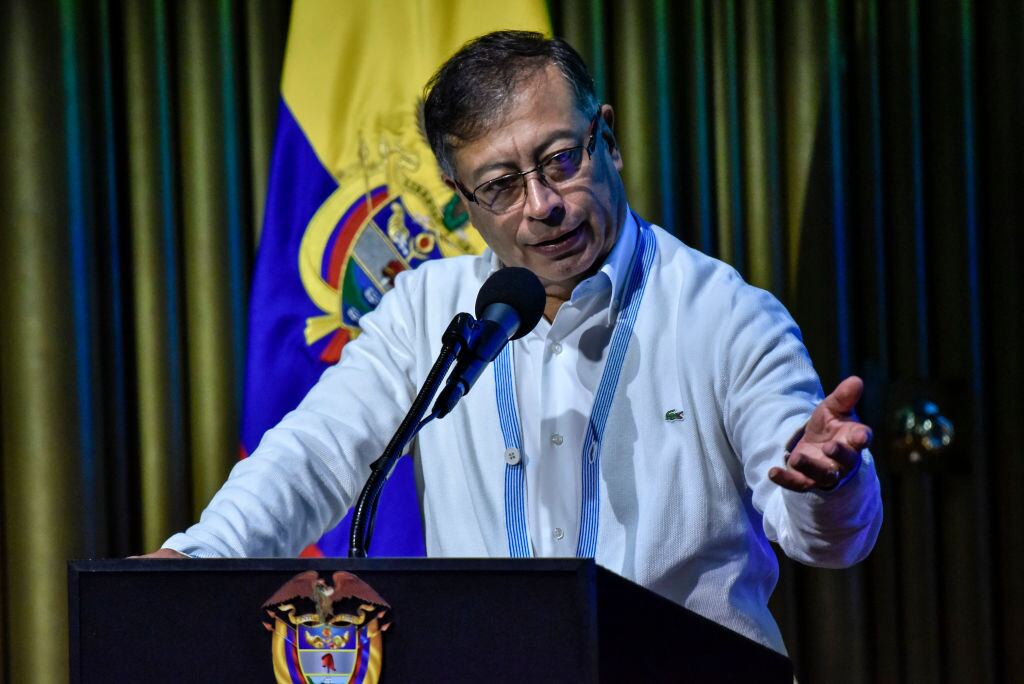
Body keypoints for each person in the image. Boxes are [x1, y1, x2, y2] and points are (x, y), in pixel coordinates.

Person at [146, 31, 881, 654]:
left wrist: (830, 487)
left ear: (610, 140)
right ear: (459, 197)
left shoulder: (725, 314)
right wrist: (193, 559)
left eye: (562, 158)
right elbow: (311, 456)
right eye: (500, 184)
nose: (544, 206)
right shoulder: (425, 310)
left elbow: (828, 541)